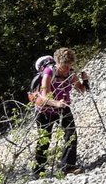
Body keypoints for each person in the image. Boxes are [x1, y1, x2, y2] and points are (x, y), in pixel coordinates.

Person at [31, 47, 89, 175]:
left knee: (71, 135)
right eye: (65, 66)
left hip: (62, 107)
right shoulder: (48, 73)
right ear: (57, 63)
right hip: (44, 111)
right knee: (44, 140)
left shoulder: (70, 73)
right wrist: (56, 103)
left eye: (69, 66)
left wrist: (85, 80)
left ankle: (67, 167)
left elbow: (81, 90)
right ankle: (38, 171)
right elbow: (44, 97)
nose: (67, 69)